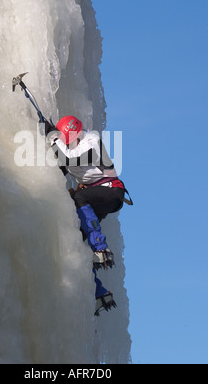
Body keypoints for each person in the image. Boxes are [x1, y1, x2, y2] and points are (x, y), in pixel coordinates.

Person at [42, 115, 132, 316]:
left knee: (80, 197)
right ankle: (99, 293)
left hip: (111, 192)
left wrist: (53, 137)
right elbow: (62, 165)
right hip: (98, 198)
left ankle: (101, 248)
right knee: (79, 242)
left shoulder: (92, 141)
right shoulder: (74, 148)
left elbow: (67, 158)